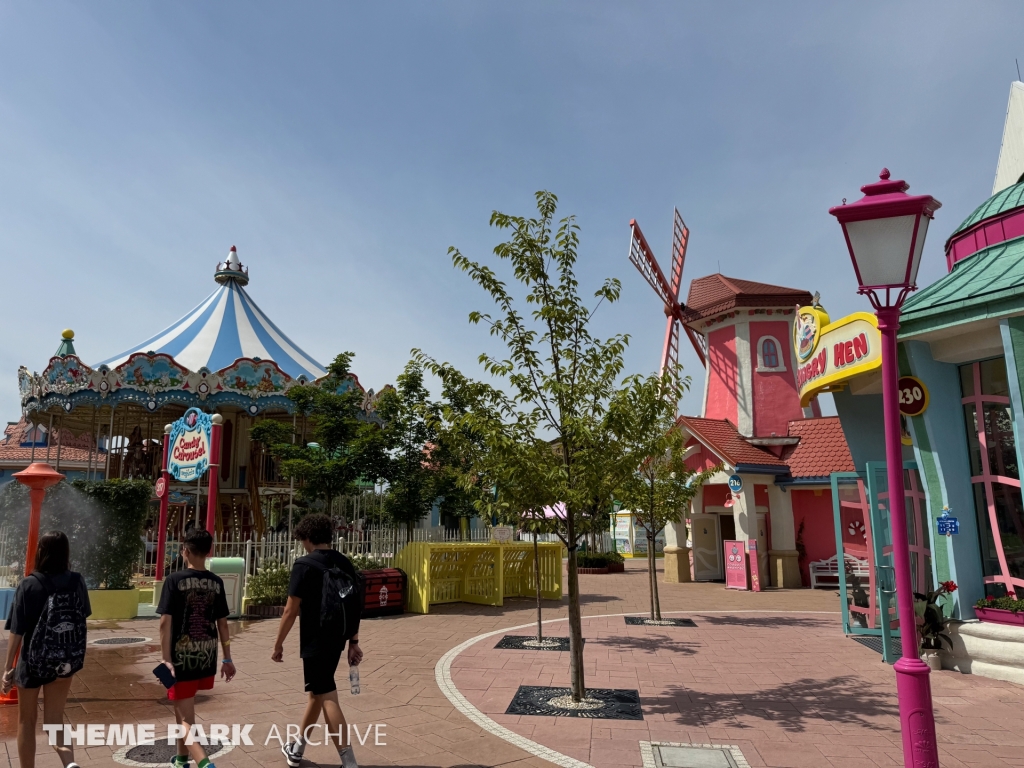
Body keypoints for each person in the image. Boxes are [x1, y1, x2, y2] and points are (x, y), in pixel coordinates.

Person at [272, 513, 363, 768]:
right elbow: (355, 603)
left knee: (327, 695)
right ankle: (296, 750)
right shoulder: (343, 561)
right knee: (317, 693)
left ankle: (350, 762)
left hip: (315, 640)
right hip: (338, 637)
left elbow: (291, 609)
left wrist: (278, 644)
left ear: (308, 537)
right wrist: (353, 641)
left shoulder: (305, 564)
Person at [1, 530, 91, 768]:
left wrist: (8, 667)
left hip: (32, 662)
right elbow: (83, 617)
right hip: (65, 660)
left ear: (40, 551)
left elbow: (17, 631)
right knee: (55, 721)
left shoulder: (29, 583)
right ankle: (69, 763)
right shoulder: (77, 580)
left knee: (26, 722)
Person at [157, 528, 235, 768]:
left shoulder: (174, 580)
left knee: (186, 720)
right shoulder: (216, 582)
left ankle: (204, 763)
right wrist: (227, 659)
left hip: (180, 660)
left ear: (186, 551)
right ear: (208, 551)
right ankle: (181, 760)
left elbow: (164, 622)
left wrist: (165, 659)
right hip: (206, 657)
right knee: (181, 709)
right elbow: (222, 624)